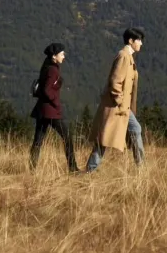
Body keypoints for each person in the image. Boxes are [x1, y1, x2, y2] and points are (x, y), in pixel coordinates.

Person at [86, 27, 145, 173]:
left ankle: (90, 171)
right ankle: (141, 168)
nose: (141, 44)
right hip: (116, 107)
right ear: (131, 41)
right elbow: (115, 81)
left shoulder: (128, 56)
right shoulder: (124, 56)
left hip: (121, 107)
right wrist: (120, 101)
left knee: (107, 139)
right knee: (104, 140)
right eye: (139, 40)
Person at [29, 42, 80, 173]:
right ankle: (73, 168)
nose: (64, 56)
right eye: (62, 54)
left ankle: (32, 169)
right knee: (67, 136)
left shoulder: (46, 66)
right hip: (51, 111)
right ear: (54, 56)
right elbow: (47, 90)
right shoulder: (53, 69)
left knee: (38, 141)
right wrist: (56, 97)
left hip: (42, 110)